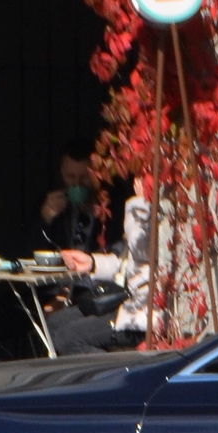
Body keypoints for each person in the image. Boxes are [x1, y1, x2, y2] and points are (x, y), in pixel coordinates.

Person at [50, 180, 152, 355]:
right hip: (125, 300)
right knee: (53, 324)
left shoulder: (160, 210)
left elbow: (141, 248)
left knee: (67, 339)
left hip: (142, 313)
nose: (137, 182)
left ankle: (114, 378)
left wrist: (141, 202)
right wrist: (92, 263)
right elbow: (127, 260)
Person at [39, 146, 105, 253]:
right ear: (61, 175)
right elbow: (30, 251)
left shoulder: (109, 208)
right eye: (70, 176)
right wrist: (44, 220)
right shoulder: (50, 203)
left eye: (85, 177)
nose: (77, 183)